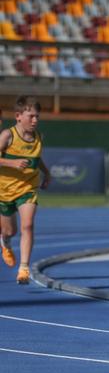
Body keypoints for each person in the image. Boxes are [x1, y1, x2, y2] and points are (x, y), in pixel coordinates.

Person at [0, 95, 50, 284]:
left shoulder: (39, 137)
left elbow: (37, 159)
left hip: (28, 188)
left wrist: (47, 173)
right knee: (9, 231)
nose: (35, 120)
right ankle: (5, 242)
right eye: (31, 116)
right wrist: (11, 163)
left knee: (27, 225)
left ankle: (24, 268)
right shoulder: (7, 135)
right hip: (4, 190)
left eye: (37, 116)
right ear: (18, 116)